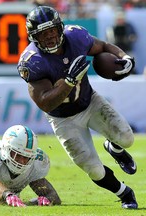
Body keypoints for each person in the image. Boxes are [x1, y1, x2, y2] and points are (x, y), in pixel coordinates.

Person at [17, 6, 138, 209]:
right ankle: (124, 192)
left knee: (127, 138)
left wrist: (124, 57)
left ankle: (113, 147)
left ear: (60, 28)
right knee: (94, 169)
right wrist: (69, 81)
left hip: (90, 102)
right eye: (43, 33)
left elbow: (103, 46)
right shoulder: (32, 61)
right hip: (63, 119)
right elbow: (45, 102)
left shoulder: (76, 37)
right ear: (33, 37)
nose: (50, 37)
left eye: (53, 30)